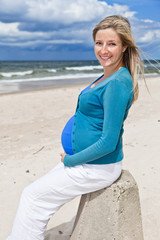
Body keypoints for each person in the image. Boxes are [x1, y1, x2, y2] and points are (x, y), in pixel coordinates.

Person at [7, 15, 144, 240]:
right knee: (34, 195)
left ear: (124, 46)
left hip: (97, 167)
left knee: (33, 197)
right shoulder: (108, 75)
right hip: (86, 161)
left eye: (112, 44)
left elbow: (108, 142)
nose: (104, 50)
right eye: (99, 43)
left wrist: (71, 160)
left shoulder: (118, 82)